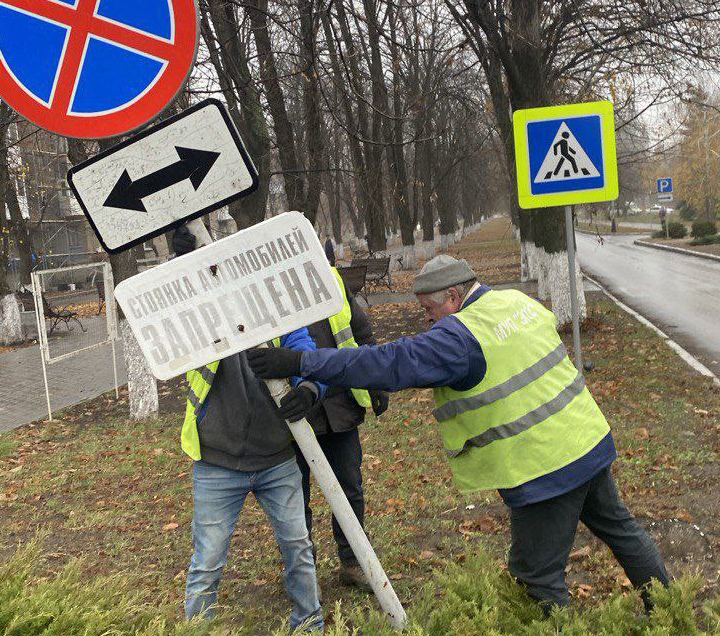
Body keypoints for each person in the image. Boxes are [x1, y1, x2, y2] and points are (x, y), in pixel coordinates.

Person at [248, 254, 670, 613]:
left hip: (543, 467)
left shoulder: (459, 337)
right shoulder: (514, 302)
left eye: (429, 310)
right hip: (588, 441)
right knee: (622, 531)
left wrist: (301, 363)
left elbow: (387, 363)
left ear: (453, 297)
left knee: (536, 578)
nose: (426, 320)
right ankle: (668, 613)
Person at [181, 330, 325, 634]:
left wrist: (309, 389)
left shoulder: (274, 305)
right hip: (216, 461)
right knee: (207, 561)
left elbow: (306, 353)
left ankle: (310, 631)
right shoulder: (201, 311)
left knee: (298, 546)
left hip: (277, 458)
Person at [298, 266, 389, 590]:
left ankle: (352, 562)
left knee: (349, 488)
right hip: (292, 413)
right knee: (295, 499)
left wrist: (376, 380)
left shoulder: (330, 277)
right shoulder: (267, 286)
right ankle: (302, 573)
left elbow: (360, 332)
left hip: (338, 406)